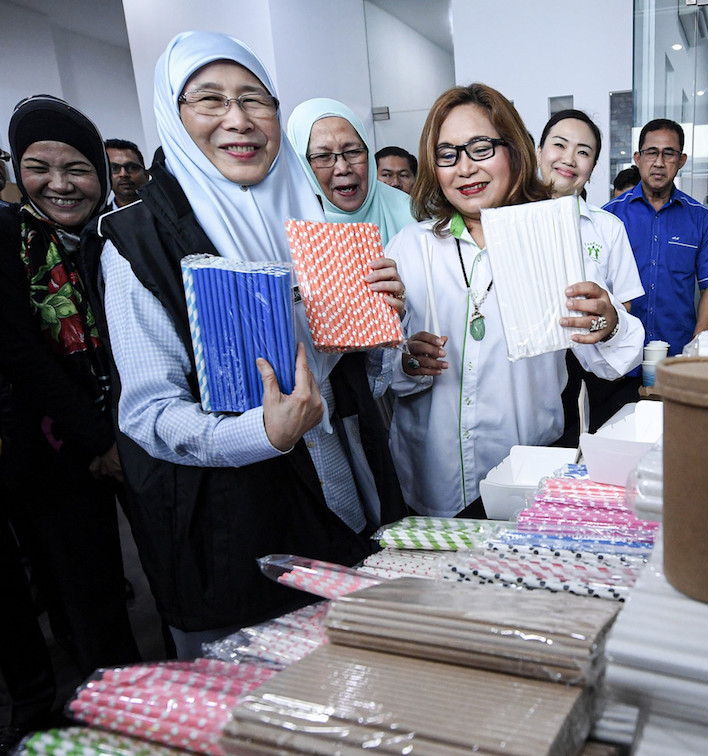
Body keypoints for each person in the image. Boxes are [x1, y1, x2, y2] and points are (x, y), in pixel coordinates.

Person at [84, 31, 405, 657]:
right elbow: (148, 416)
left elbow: (345, 373)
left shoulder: (307, 217)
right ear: (173, 119)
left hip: (339, 497)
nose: (239, 120)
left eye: (255, 99)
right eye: (209, 100)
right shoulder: (138, 241)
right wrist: (264, 432)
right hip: (236, 526)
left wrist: (381, 323)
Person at [386, 83, 643, 517]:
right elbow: (383, 374)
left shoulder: (558, 241)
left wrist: (609, 323)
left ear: (515, 150)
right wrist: (407, 363)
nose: (464, 168)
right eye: (447, 153)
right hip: (431, 479)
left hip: (525, 477)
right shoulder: (410, 247)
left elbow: (608, 362)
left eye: (481, 147)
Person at [0, 94, 140, 730]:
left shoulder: (123, 237)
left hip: (141, 429)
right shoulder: (7, 242)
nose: (59, 184)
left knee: (166, 566)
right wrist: (95, 441)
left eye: (76, 168)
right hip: (54, 447)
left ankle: (181, 696)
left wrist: (124, 435)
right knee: (90, 595)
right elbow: (23, 358)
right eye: (39, 166)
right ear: (17, 170)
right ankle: (120, 715)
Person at [535, 109, 644, 440]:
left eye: (583, 152)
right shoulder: (504, 220)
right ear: (539, 152)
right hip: (524, 370)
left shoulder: (607, 227)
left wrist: (603, 322)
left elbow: (623, 306)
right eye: (559, 145)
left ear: (592, 168)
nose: (569, 158)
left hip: (584, 364)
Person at [603, 118, 708, 357]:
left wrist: (695, 347)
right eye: (652, 152)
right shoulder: (610, 216)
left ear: (681, 161)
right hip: (617, 356)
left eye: (669, 154)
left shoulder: (701, 219)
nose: (659, 162)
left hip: (677, 355)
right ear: (638, 158)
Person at [287, 101, 414, 243]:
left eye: (353, 152)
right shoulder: (286, 232)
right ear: (302, 165)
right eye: (323, 156)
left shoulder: (414, 216)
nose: (343, 168)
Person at [105, 138, 149, 209]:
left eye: (132, 168)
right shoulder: (101, 219)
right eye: (114, 168)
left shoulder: (167, 211)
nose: (123, 174)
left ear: (146, 175)